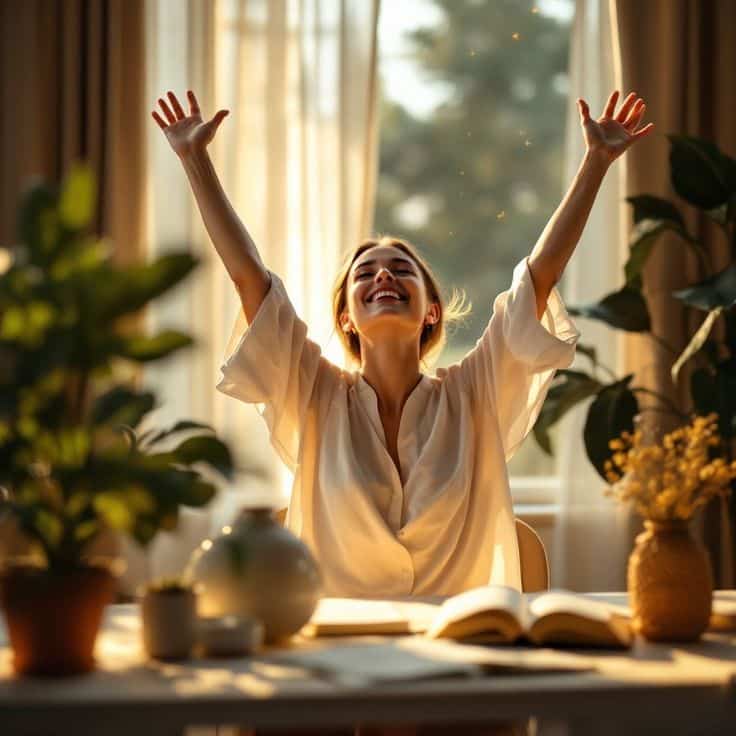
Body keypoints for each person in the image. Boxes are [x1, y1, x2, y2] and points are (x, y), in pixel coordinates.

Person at [152, 88, 653, 735]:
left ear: (432, 309)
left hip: (461, 678)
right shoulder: (313, 393)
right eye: (365, 274)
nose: (382, 276)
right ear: (347, 317)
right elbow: (253, 281)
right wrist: (195, 161)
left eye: (401, 269)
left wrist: (595, 163)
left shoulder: (476, 392)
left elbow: (538, 279)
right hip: (333, 674)